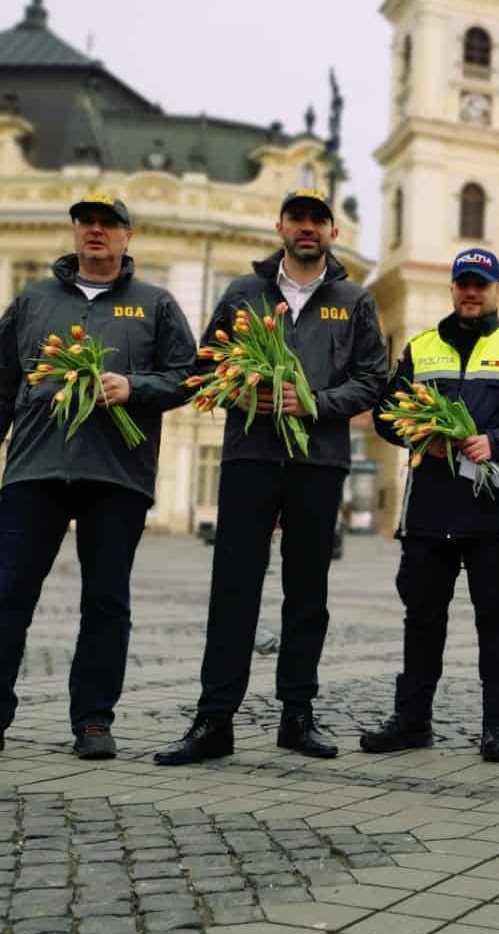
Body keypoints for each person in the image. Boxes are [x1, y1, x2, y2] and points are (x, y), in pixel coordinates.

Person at [0, 192, 196, 762]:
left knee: (105, 604)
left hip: (116, 477)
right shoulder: (34, 300)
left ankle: (93, 722)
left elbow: (188, 376)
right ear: (75, 233)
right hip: (34, 469)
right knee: (3, 599)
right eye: (86, 223)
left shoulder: (156, 305)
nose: (96, 231)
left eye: (108, 223)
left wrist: (134, 387)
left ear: (128, 237)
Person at [155, 189, 387, 766]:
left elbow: (372, 380)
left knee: (308, 590)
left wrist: (313, 401)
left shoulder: (354, 300)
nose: (307, 228)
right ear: (280, 226)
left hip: (318, 458)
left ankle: (296, 715)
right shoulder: (243, 293)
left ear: (332, 232)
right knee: (233, 586)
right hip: (250, 455)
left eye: (318, 220)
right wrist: (241, 389)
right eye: (298, 219)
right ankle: (215, 719)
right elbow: (205, 366)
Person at [360, 249, 499, 761]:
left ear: (497, 289)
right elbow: (386, 415)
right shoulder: (420, 349)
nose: (471, 293)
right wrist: (421, 435)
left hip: (494, 515)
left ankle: (498, 726)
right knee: (421, 618)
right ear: (451, 289)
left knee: (497, 621)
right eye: (463, 284)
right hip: (428, 512)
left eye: (481, 284)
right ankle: (412, 721)